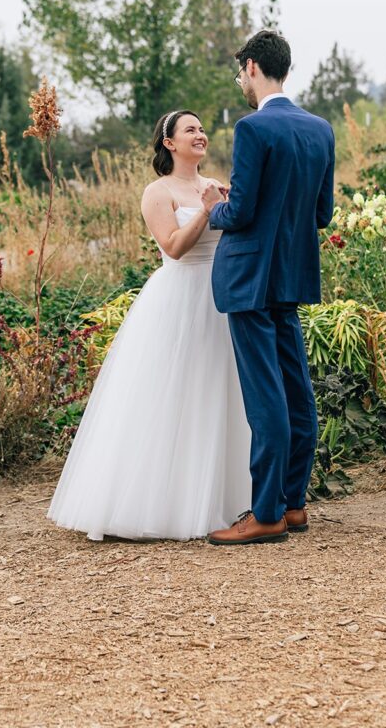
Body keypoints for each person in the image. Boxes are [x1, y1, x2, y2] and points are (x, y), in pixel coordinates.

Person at [47, 110, 251, 541]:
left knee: (218, 392)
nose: (200, 135)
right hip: (178, 298)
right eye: (189, 130)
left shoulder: (215, 183)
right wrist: (207, 212)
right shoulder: (157, 192)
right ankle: (158, 504)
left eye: (201, 129)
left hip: (221, 295)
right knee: (171, 392)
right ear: (169, 143)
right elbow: (173, 248)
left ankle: (224, 500)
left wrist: (226, 207)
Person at [201, 29, 335, 546]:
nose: (241, 80)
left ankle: (266, 514)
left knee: (266, 399)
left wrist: (217, 206)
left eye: (240, 72)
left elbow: (243, 211)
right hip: (291, 276)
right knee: (297, 390)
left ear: (253, 67)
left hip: (249, 279)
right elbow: (320, 213)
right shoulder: (320, 129)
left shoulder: (253, 128)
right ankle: (295, 504)